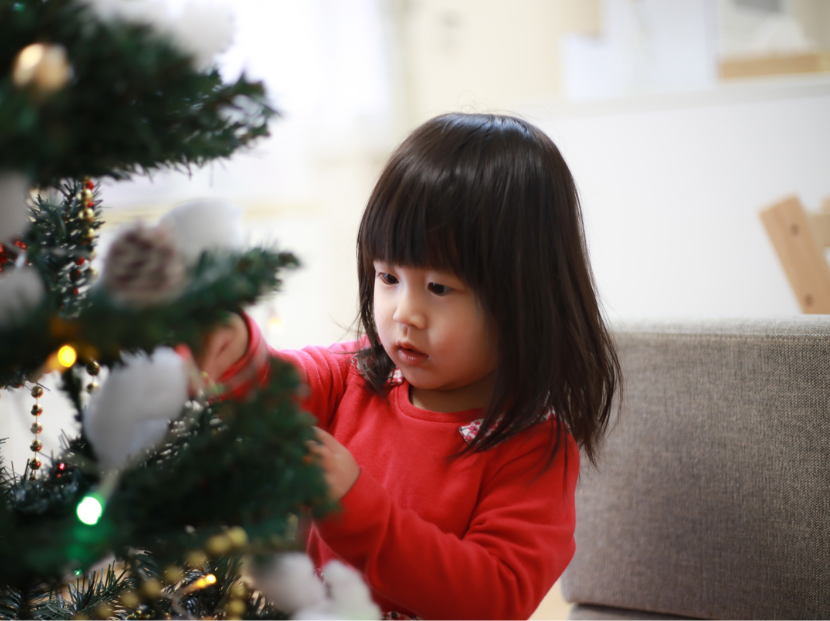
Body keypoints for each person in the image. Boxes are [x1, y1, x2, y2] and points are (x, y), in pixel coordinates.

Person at [199, 112, 622, 620]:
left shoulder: (529, 447)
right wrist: (237, 349)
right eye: (387, 276)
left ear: (523, 298)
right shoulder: (355, 375)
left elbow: (494, 597)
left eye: (438, 288)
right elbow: (274, 388)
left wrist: (356, 506)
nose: (404, 313)